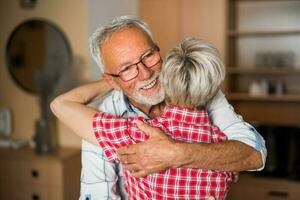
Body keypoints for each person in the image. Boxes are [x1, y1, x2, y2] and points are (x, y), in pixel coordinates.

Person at [55, 16, 266, 199]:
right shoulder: (104, 113)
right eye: (127, 68)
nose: (145, 74)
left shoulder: (196, 87)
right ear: (111, 80)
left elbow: (253, 155)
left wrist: (176, 154)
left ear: (159, 51)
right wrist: (115, 82)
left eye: (148, 56)